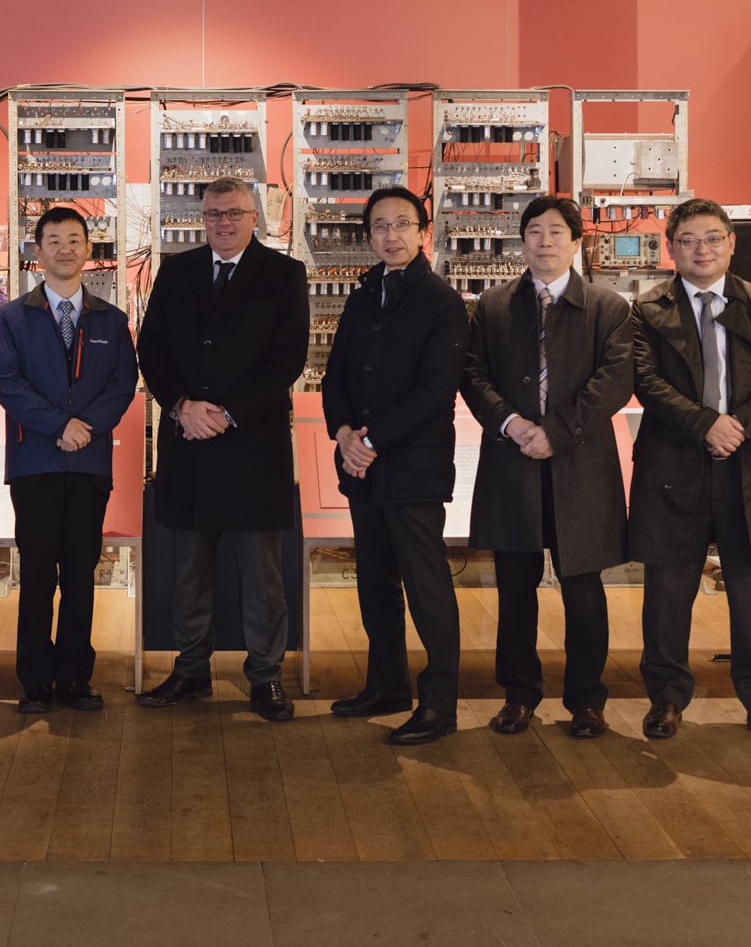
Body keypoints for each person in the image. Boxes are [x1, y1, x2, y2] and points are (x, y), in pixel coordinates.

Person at [629, 198, 751, 745]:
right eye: (688, 239)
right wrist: (706, 424)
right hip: (674, 463)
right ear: (671, 248)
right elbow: (645, 380)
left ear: (732, 242)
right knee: (668, 586)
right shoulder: (646, 309)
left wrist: (742, 425)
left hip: (750, 461)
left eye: (712, 238)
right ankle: (665, 698)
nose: (701, 249)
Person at [135, 175, 309, 722]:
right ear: (201, 218)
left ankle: (266, 675)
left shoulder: (283, 274)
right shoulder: (177, 270)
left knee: (261, 573)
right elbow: (152, 348)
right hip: (187, 440)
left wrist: (228, 413)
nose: (223, 223)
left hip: (252, 444)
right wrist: (182, 406)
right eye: (213, 214)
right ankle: (190, 670)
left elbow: (287, 359)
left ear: (254, 217)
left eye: (233, 213)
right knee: (188, 566)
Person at [462, 195, 632, 740]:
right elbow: (473, 374)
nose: (545, 242)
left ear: (577, 241)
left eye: (556, 232)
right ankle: (519, 694)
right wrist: (512, 425)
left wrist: (553, 433)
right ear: (522, 240)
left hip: (579, 465)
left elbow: (614, 383)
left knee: (583, 590)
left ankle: (587, 699)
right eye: (534, 231)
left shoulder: (609, 308)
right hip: (512, 461)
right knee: (515, 588)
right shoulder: (491, 306)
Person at [321, 187, 468, 745]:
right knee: (375, 583)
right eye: (380, 226)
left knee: (426, 586)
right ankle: (385, 684)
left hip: (413, 468)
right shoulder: (363, 297)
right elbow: (335, 376)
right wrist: (342, 433)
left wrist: (371, 439)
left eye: (402, 224)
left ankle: (440, 703)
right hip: (363, 466)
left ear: (423, 232)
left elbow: (436, 391)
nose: (391, 235)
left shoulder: (441, 301)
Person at [0, 206, 139, 713]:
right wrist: (61, 425)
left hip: (89, 465)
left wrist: (87, 428)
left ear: (89, 252)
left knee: (79, 573)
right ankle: (34, 678)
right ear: (37, 252)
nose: (64, 249)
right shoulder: (11, 317)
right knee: (36, 576)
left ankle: (75, 677)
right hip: (35, 464)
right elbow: (6, 382)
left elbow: (122, 383)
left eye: (75, 240)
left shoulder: (111, 320)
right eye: (53, 240)